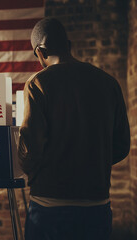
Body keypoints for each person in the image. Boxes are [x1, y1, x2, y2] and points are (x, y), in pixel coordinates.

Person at [18, 18, 130, 240]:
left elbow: (30, 149)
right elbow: (122, 146)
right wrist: (91, 163)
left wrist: (36, 172)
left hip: (49, 206)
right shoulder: (109, 83)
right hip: (97, 204)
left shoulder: (38, 84)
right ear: (68, 45)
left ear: (40, 52)